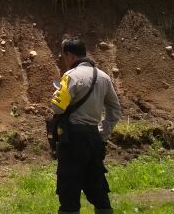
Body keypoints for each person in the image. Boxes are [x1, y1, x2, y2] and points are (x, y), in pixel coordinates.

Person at [48, 37, 121, 214]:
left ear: (70, 55)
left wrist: (57, 94)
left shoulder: (70, 76)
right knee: (97, 186)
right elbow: (115, 109)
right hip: (94, 138)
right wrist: (103, 133)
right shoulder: (103, 77)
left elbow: (57, 108)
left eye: (64, 56)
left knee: (69, 188)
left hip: (72, 139)